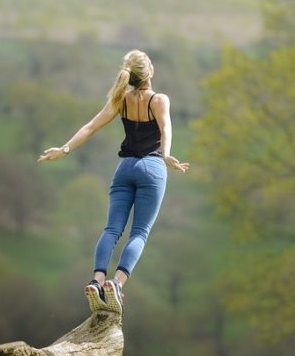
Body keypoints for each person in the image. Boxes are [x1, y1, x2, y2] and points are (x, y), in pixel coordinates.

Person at [38, 49, 189, 314]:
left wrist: (64, 149)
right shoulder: (159, 99)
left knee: (111, 230)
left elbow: (90, 127)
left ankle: (96, 281)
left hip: (124, 169)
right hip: (151, 168)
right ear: (149, 72)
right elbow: (166, 128)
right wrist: (165, 156)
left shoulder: (122, 100)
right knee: (140, 232)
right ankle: (116, 284)